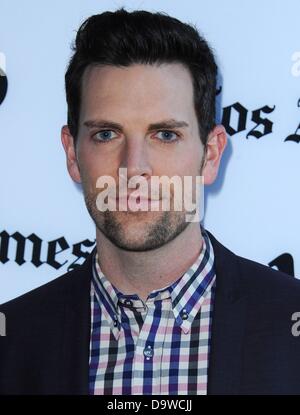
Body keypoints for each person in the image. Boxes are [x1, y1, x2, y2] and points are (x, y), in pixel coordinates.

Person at [1, 8, 300, 395]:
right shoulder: (12, 340)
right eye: (107, 134)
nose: (133, 167)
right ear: (73, 155)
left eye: (165, 135)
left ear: (210, 155)